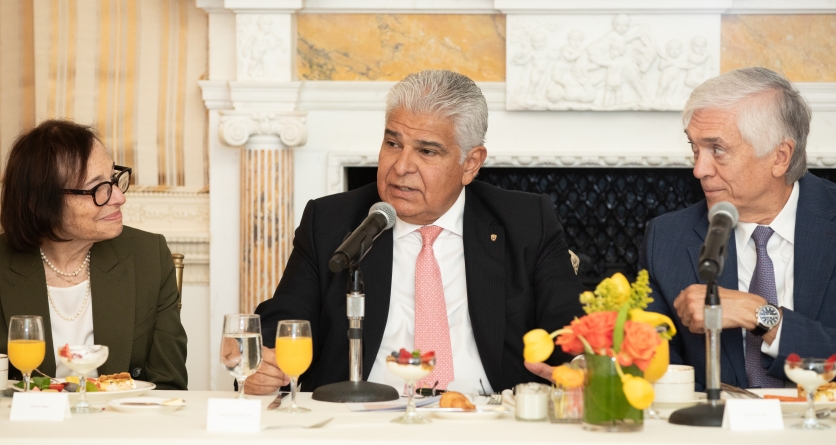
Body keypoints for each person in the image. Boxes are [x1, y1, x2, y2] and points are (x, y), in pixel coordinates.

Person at [249, 69, 584, 395]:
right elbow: (285, 322)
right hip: (361, 422)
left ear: (470, 163)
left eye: (427, 151)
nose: (401, 166)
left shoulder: (526, 221)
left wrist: (585, 366)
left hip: (487, 422)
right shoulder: (331, 220)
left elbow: (570, 330)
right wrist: (258, 360)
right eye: (393, 143)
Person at [639, 67, 836, 389]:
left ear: (779, 157)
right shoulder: (667, 238)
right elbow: (656, 370)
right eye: (695, 148)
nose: (699, 170)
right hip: (715, 434)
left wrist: (762, 316)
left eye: (718, 150)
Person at [0, 120, 188, 390]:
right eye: (97, 188)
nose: (119, 198)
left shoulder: (148, 256)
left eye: (114, 179)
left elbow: (169, 384)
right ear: (41, 202)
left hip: (118, 426)